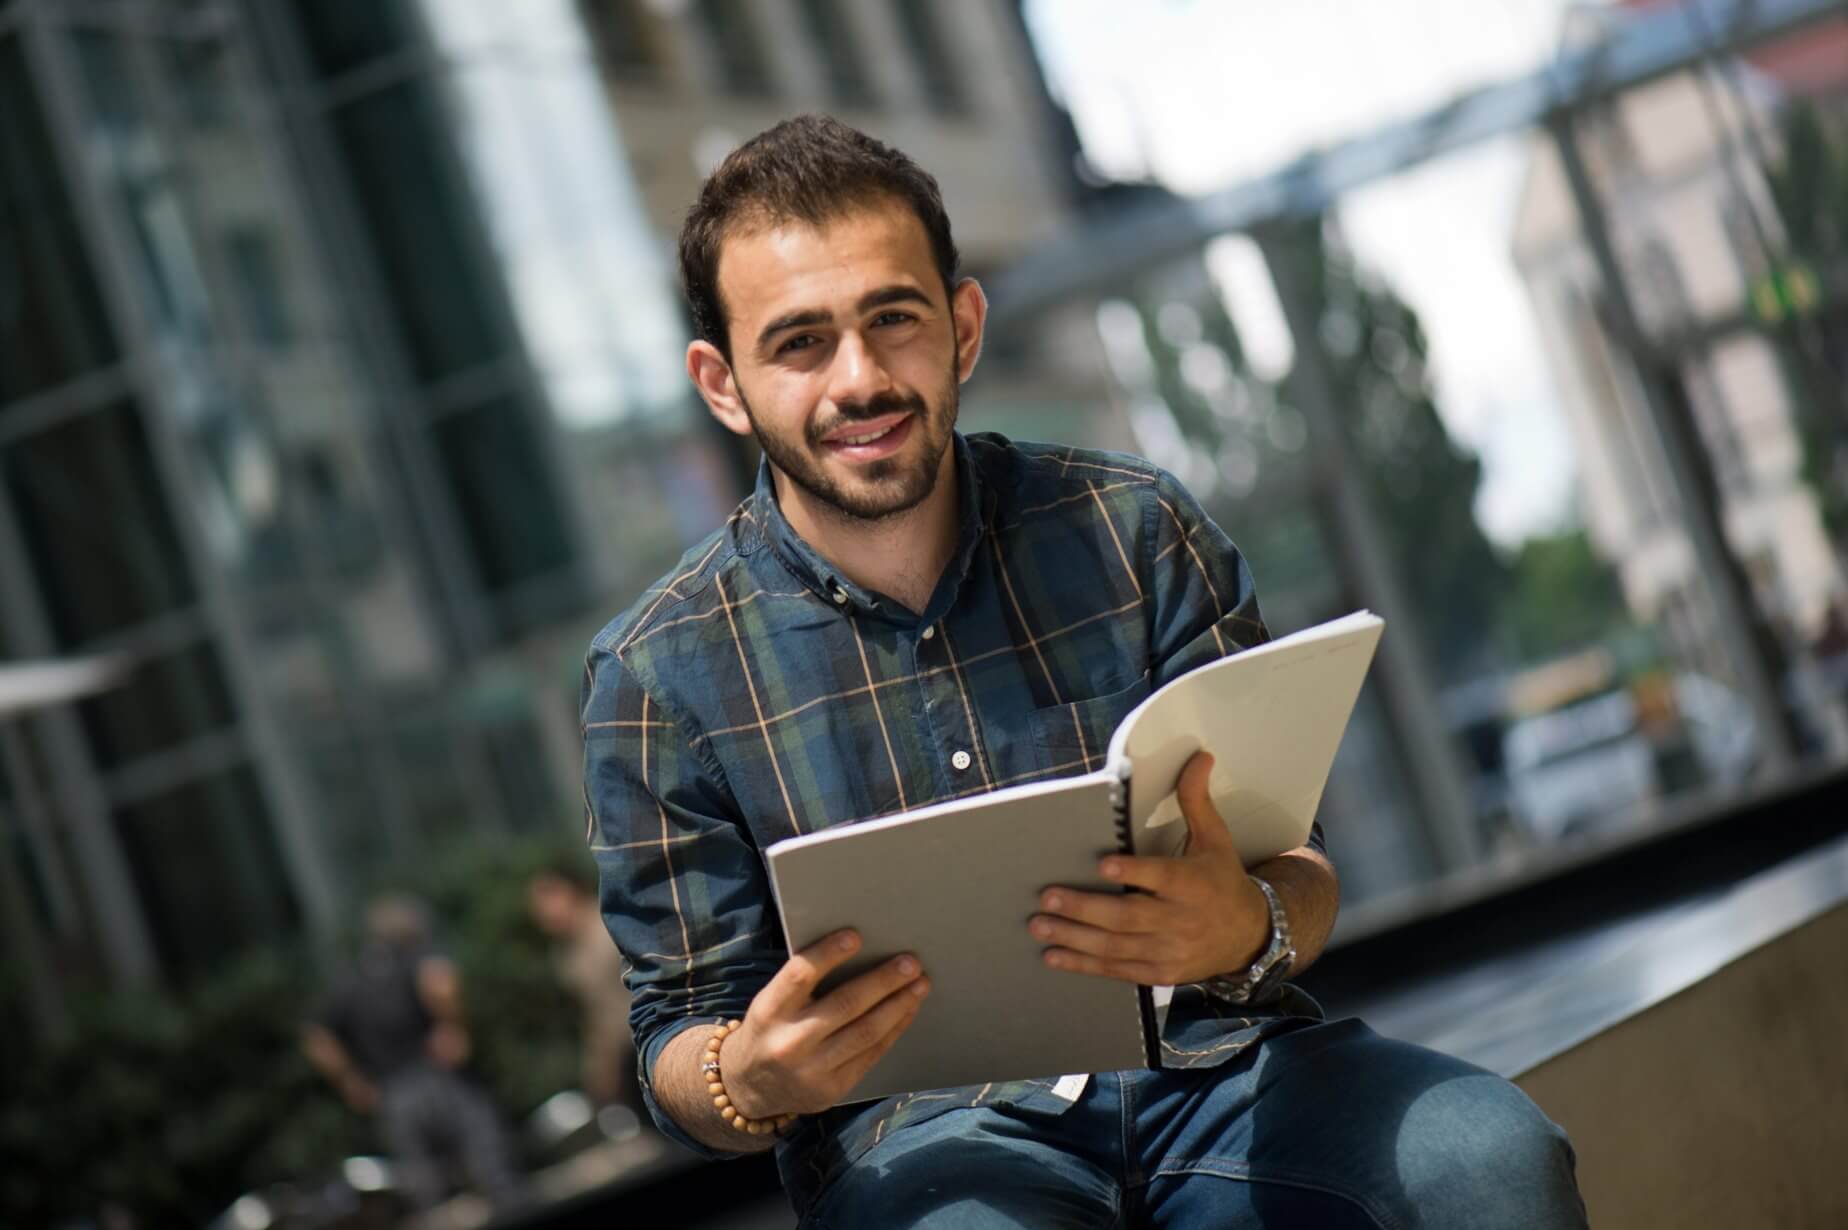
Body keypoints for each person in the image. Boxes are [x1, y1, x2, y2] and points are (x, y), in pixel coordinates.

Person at [581, 114, 1588, 1227]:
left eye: (893, 319)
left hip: (1223, 1075)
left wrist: (1248, 926)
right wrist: (751, 1078)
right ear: (723, 384)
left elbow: (1302, 868)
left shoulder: (1134, 530)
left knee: (1489, 1155)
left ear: (963, 326)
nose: (860, 378)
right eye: (801, 343)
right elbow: (677, 1035)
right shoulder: (656, 678)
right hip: (926, 1140)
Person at [301, 895, 524, 1214]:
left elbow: (316, 1036)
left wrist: (350, 1079)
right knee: (492, 1167)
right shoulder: (413, 954)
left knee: (429, 1190)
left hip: (392, 1094)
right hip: (438, 1075)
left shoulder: (348, 979)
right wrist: (453, 1027)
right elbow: (441, 983)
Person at [526, 853, 637, 1110]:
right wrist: (599, 1068)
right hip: (626, 1055)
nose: (543, 914)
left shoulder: (613, 921)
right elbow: (596, 1017)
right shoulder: (565, 958)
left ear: (568, 890)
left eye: (547, 899)